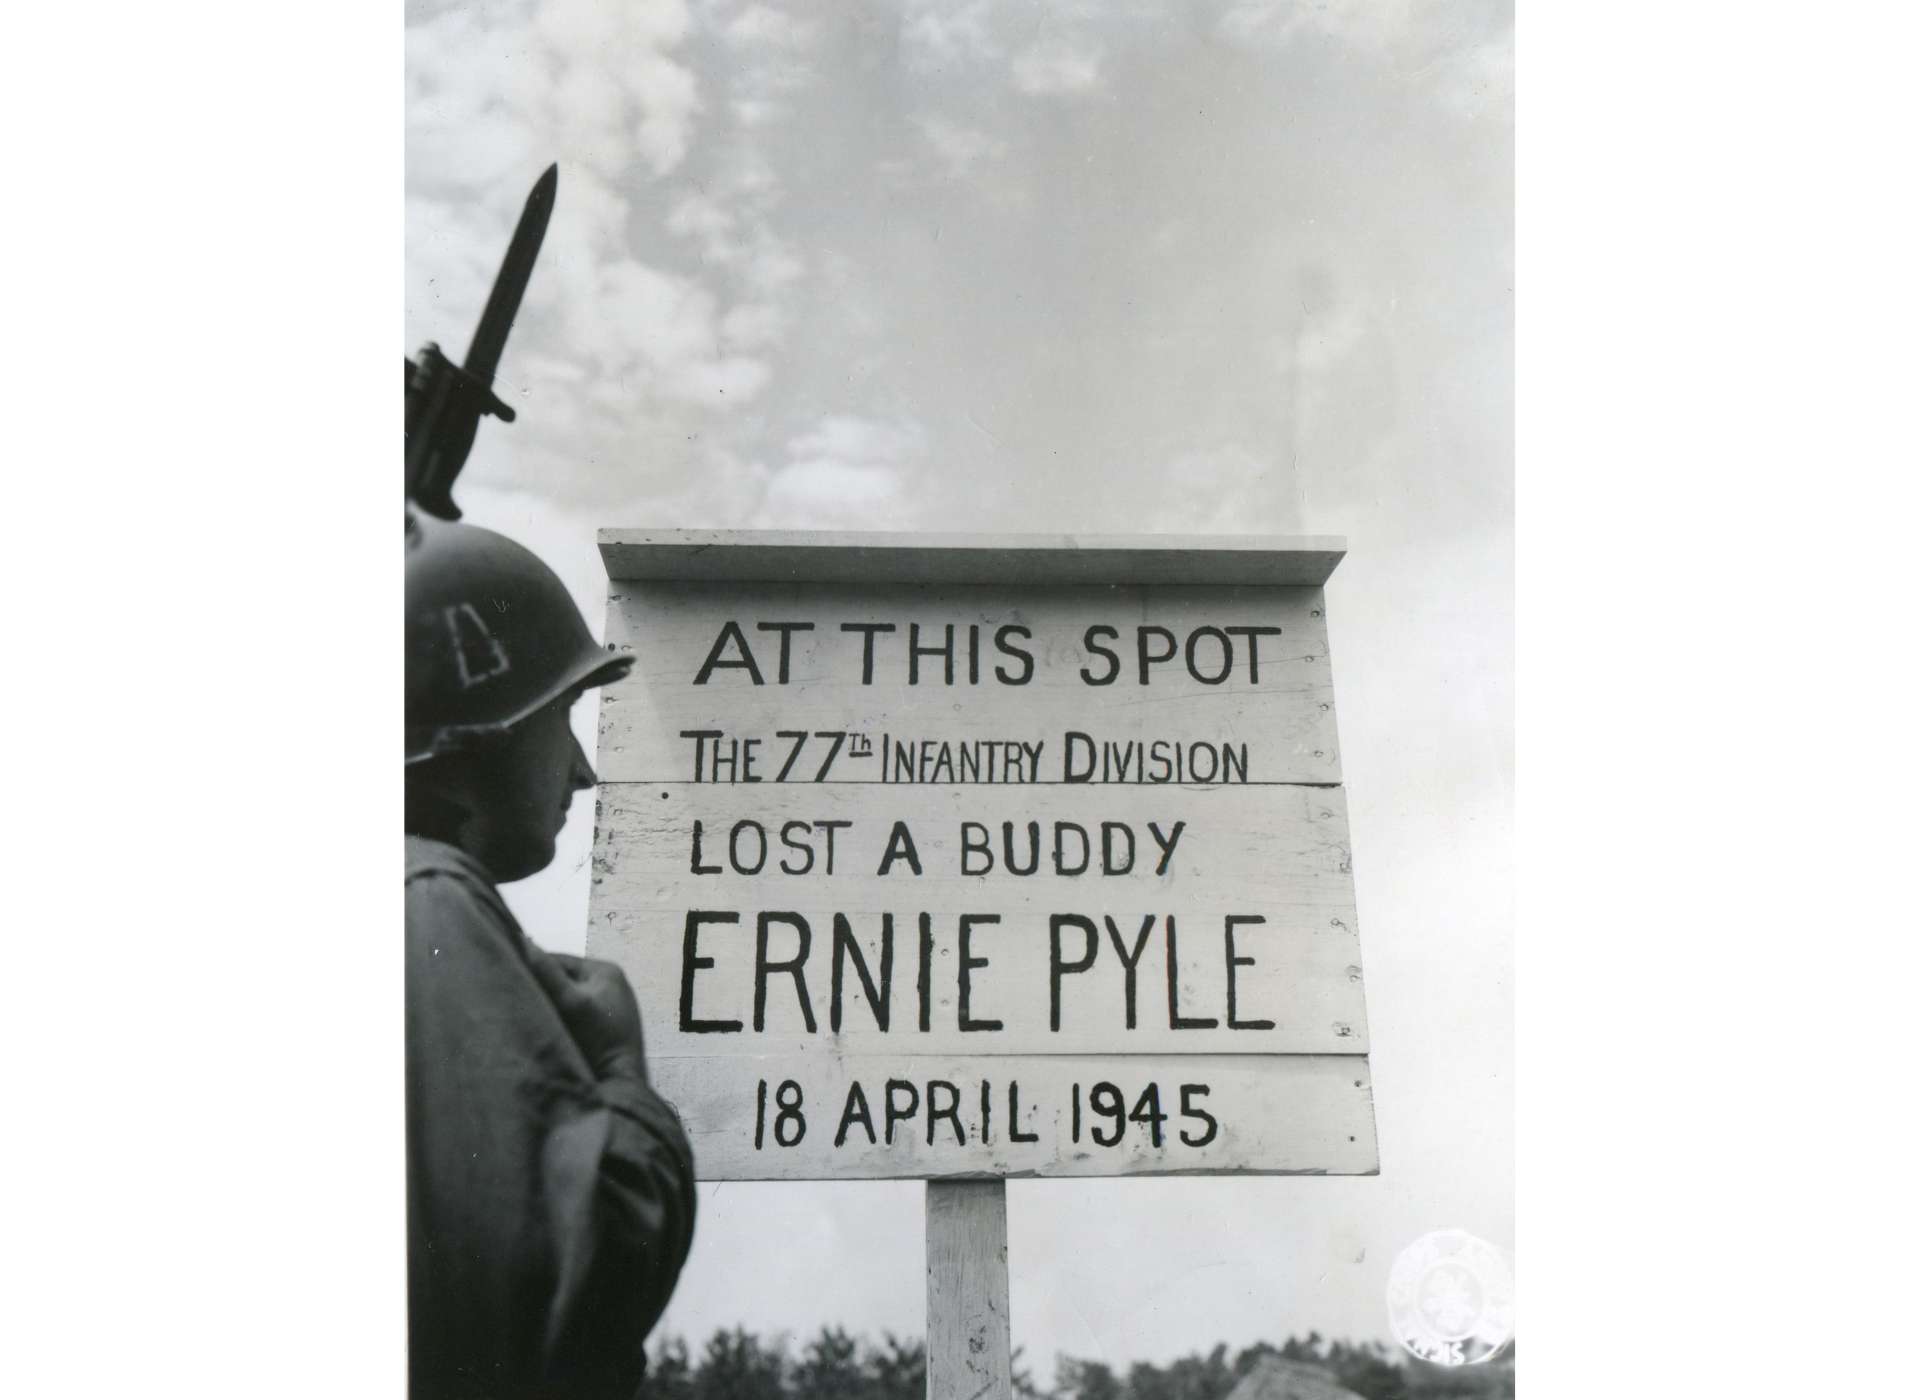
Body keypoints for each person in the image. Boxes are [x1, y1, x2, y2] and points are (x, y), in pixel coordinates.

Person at [405, 508, 696, 1399]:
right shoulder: (429, 902)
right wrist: (616, 1067)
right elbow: (557, 1282)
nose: (581, 769)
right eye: (559, 711)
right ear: (470, 737)